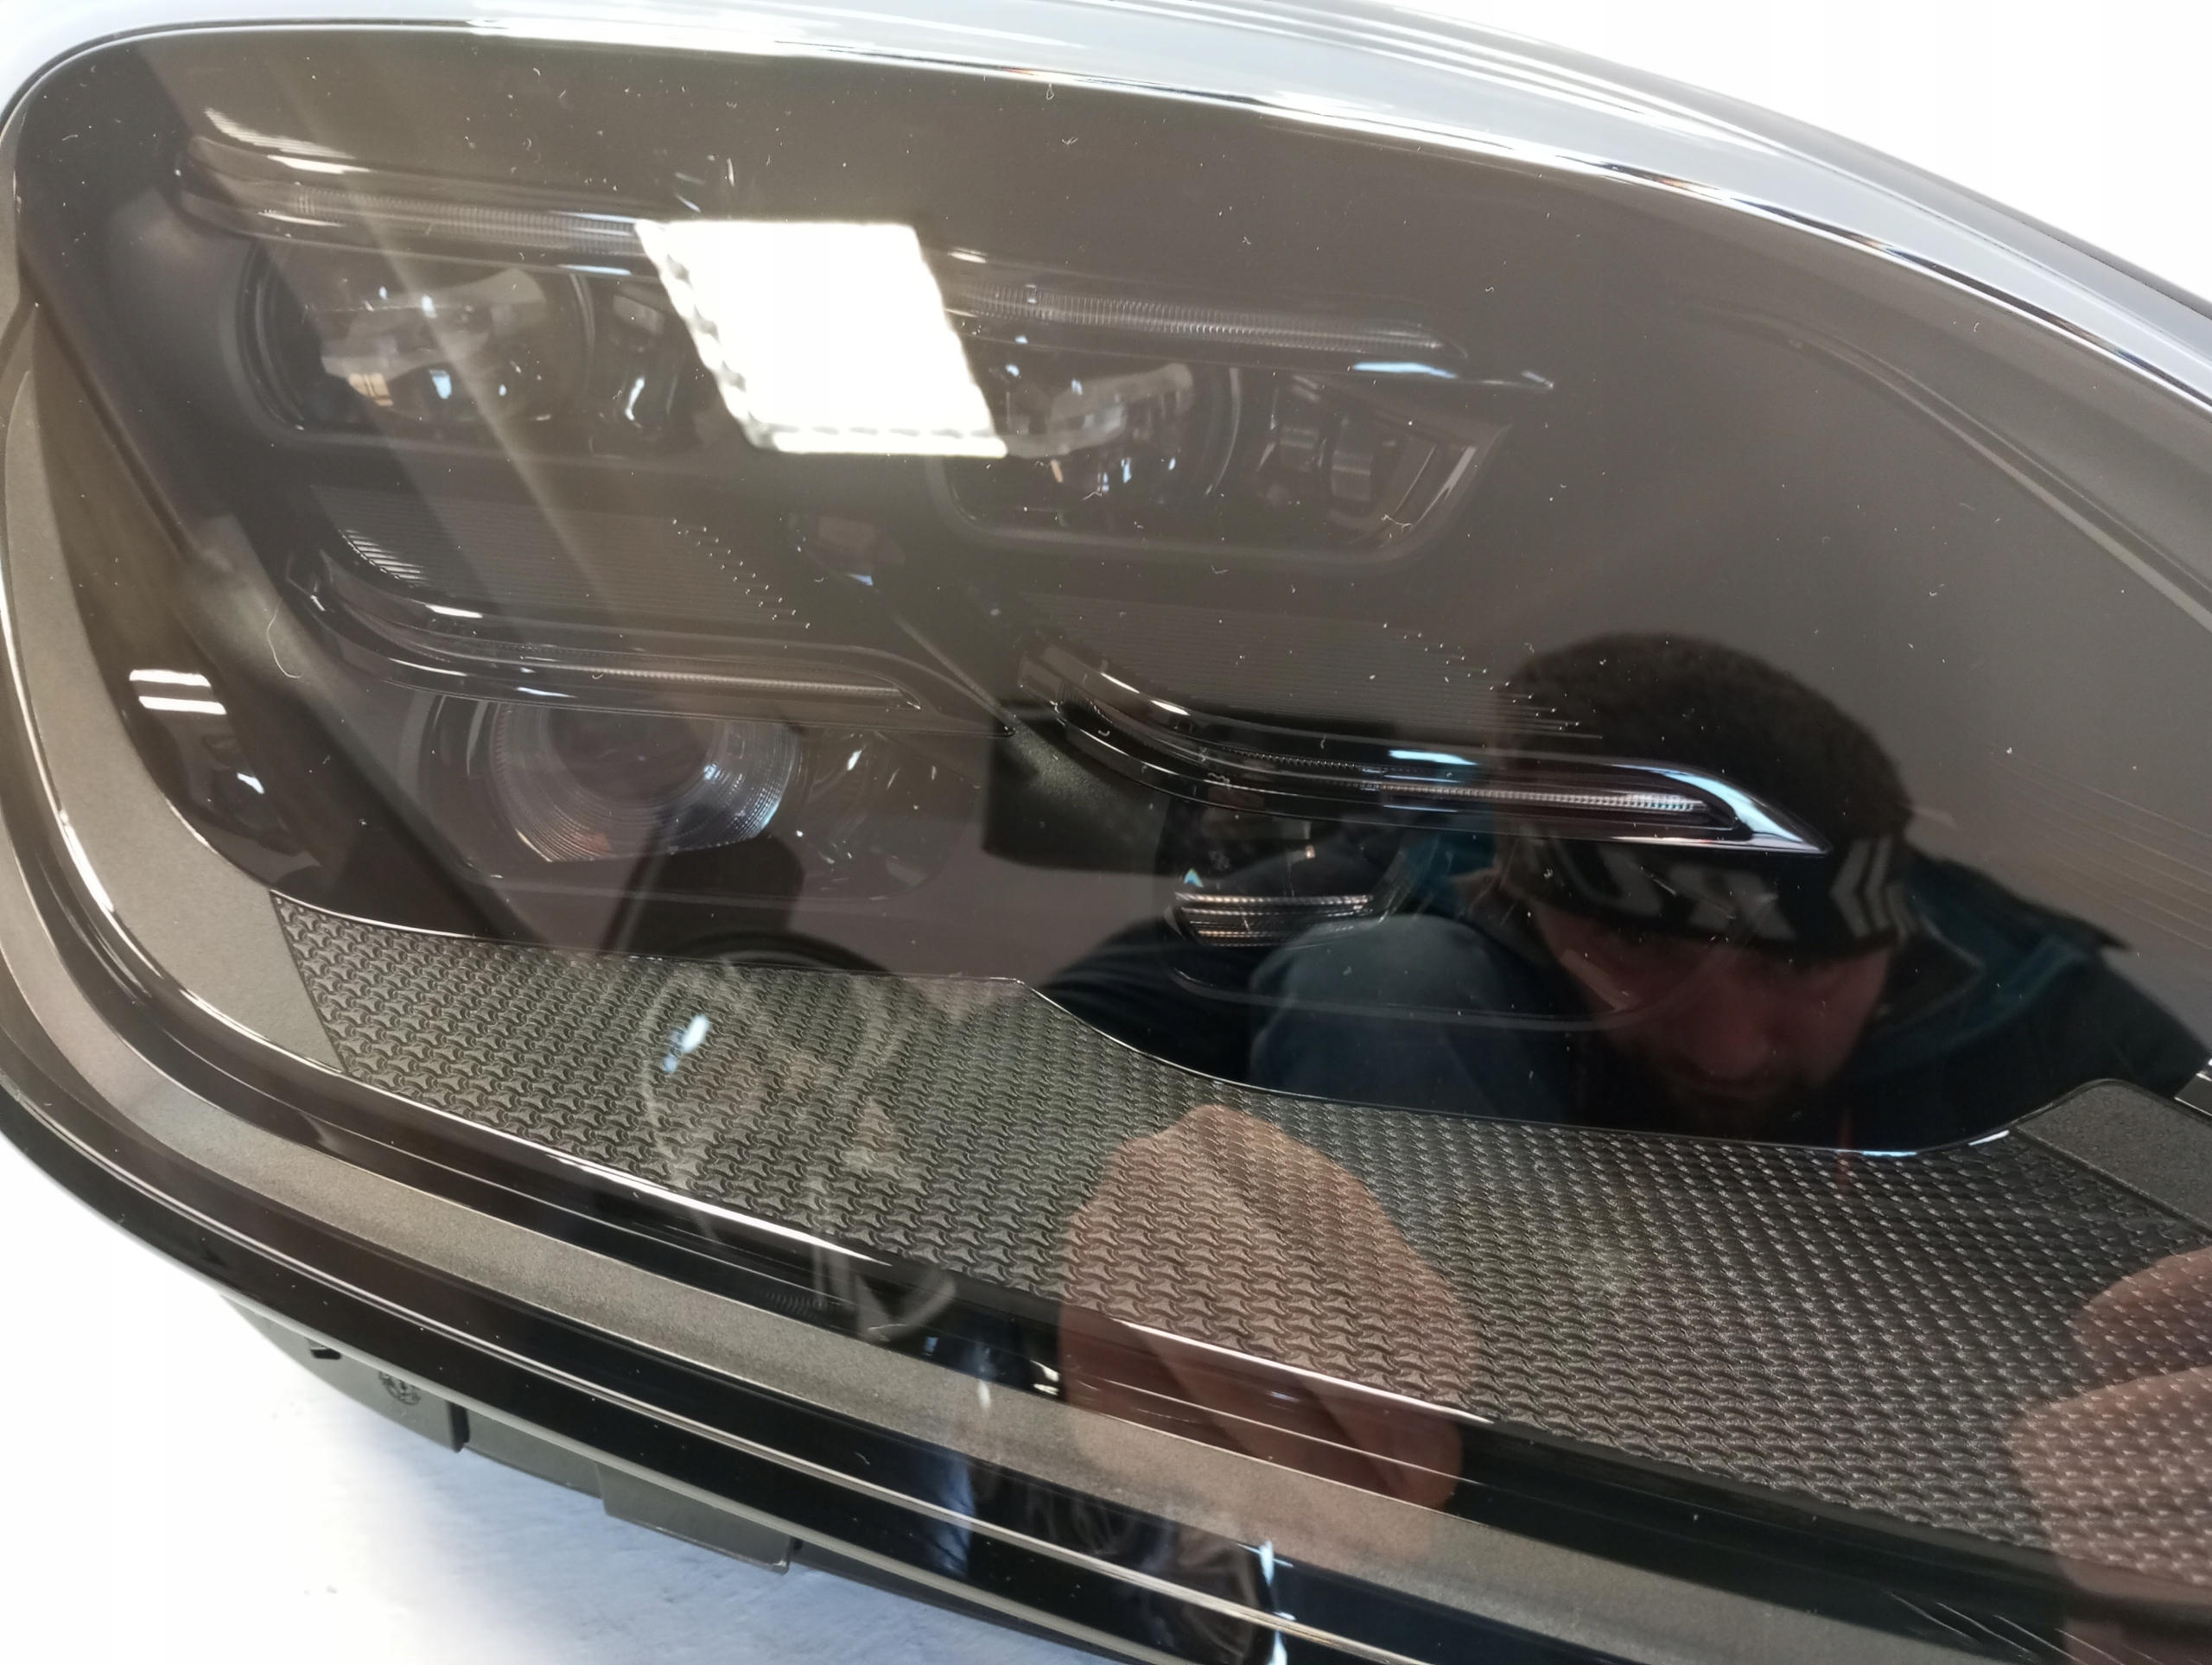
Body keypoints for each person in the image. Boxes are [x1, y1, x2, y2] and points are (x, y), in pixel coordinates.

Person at [1247, 634, 2206, 1148]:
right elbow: (1136, 1047)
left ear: (1896, 940)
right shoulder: (1411, 896)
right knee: (1382, 982)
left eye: (1799, 966)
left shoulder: (2042, 1012)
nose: (1723, 1047)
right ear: (1518, 895)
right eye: (1637, 948)